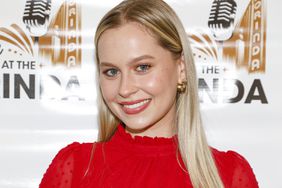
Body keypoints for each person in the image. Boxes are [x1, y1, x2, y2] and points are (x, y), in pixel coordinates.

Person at [39, 0, 259, 187]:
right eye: (112, 71)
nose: (125, 88)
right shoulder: (76, 168)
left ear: (181, 68)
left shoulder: (229, 176)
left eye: (142, 67)